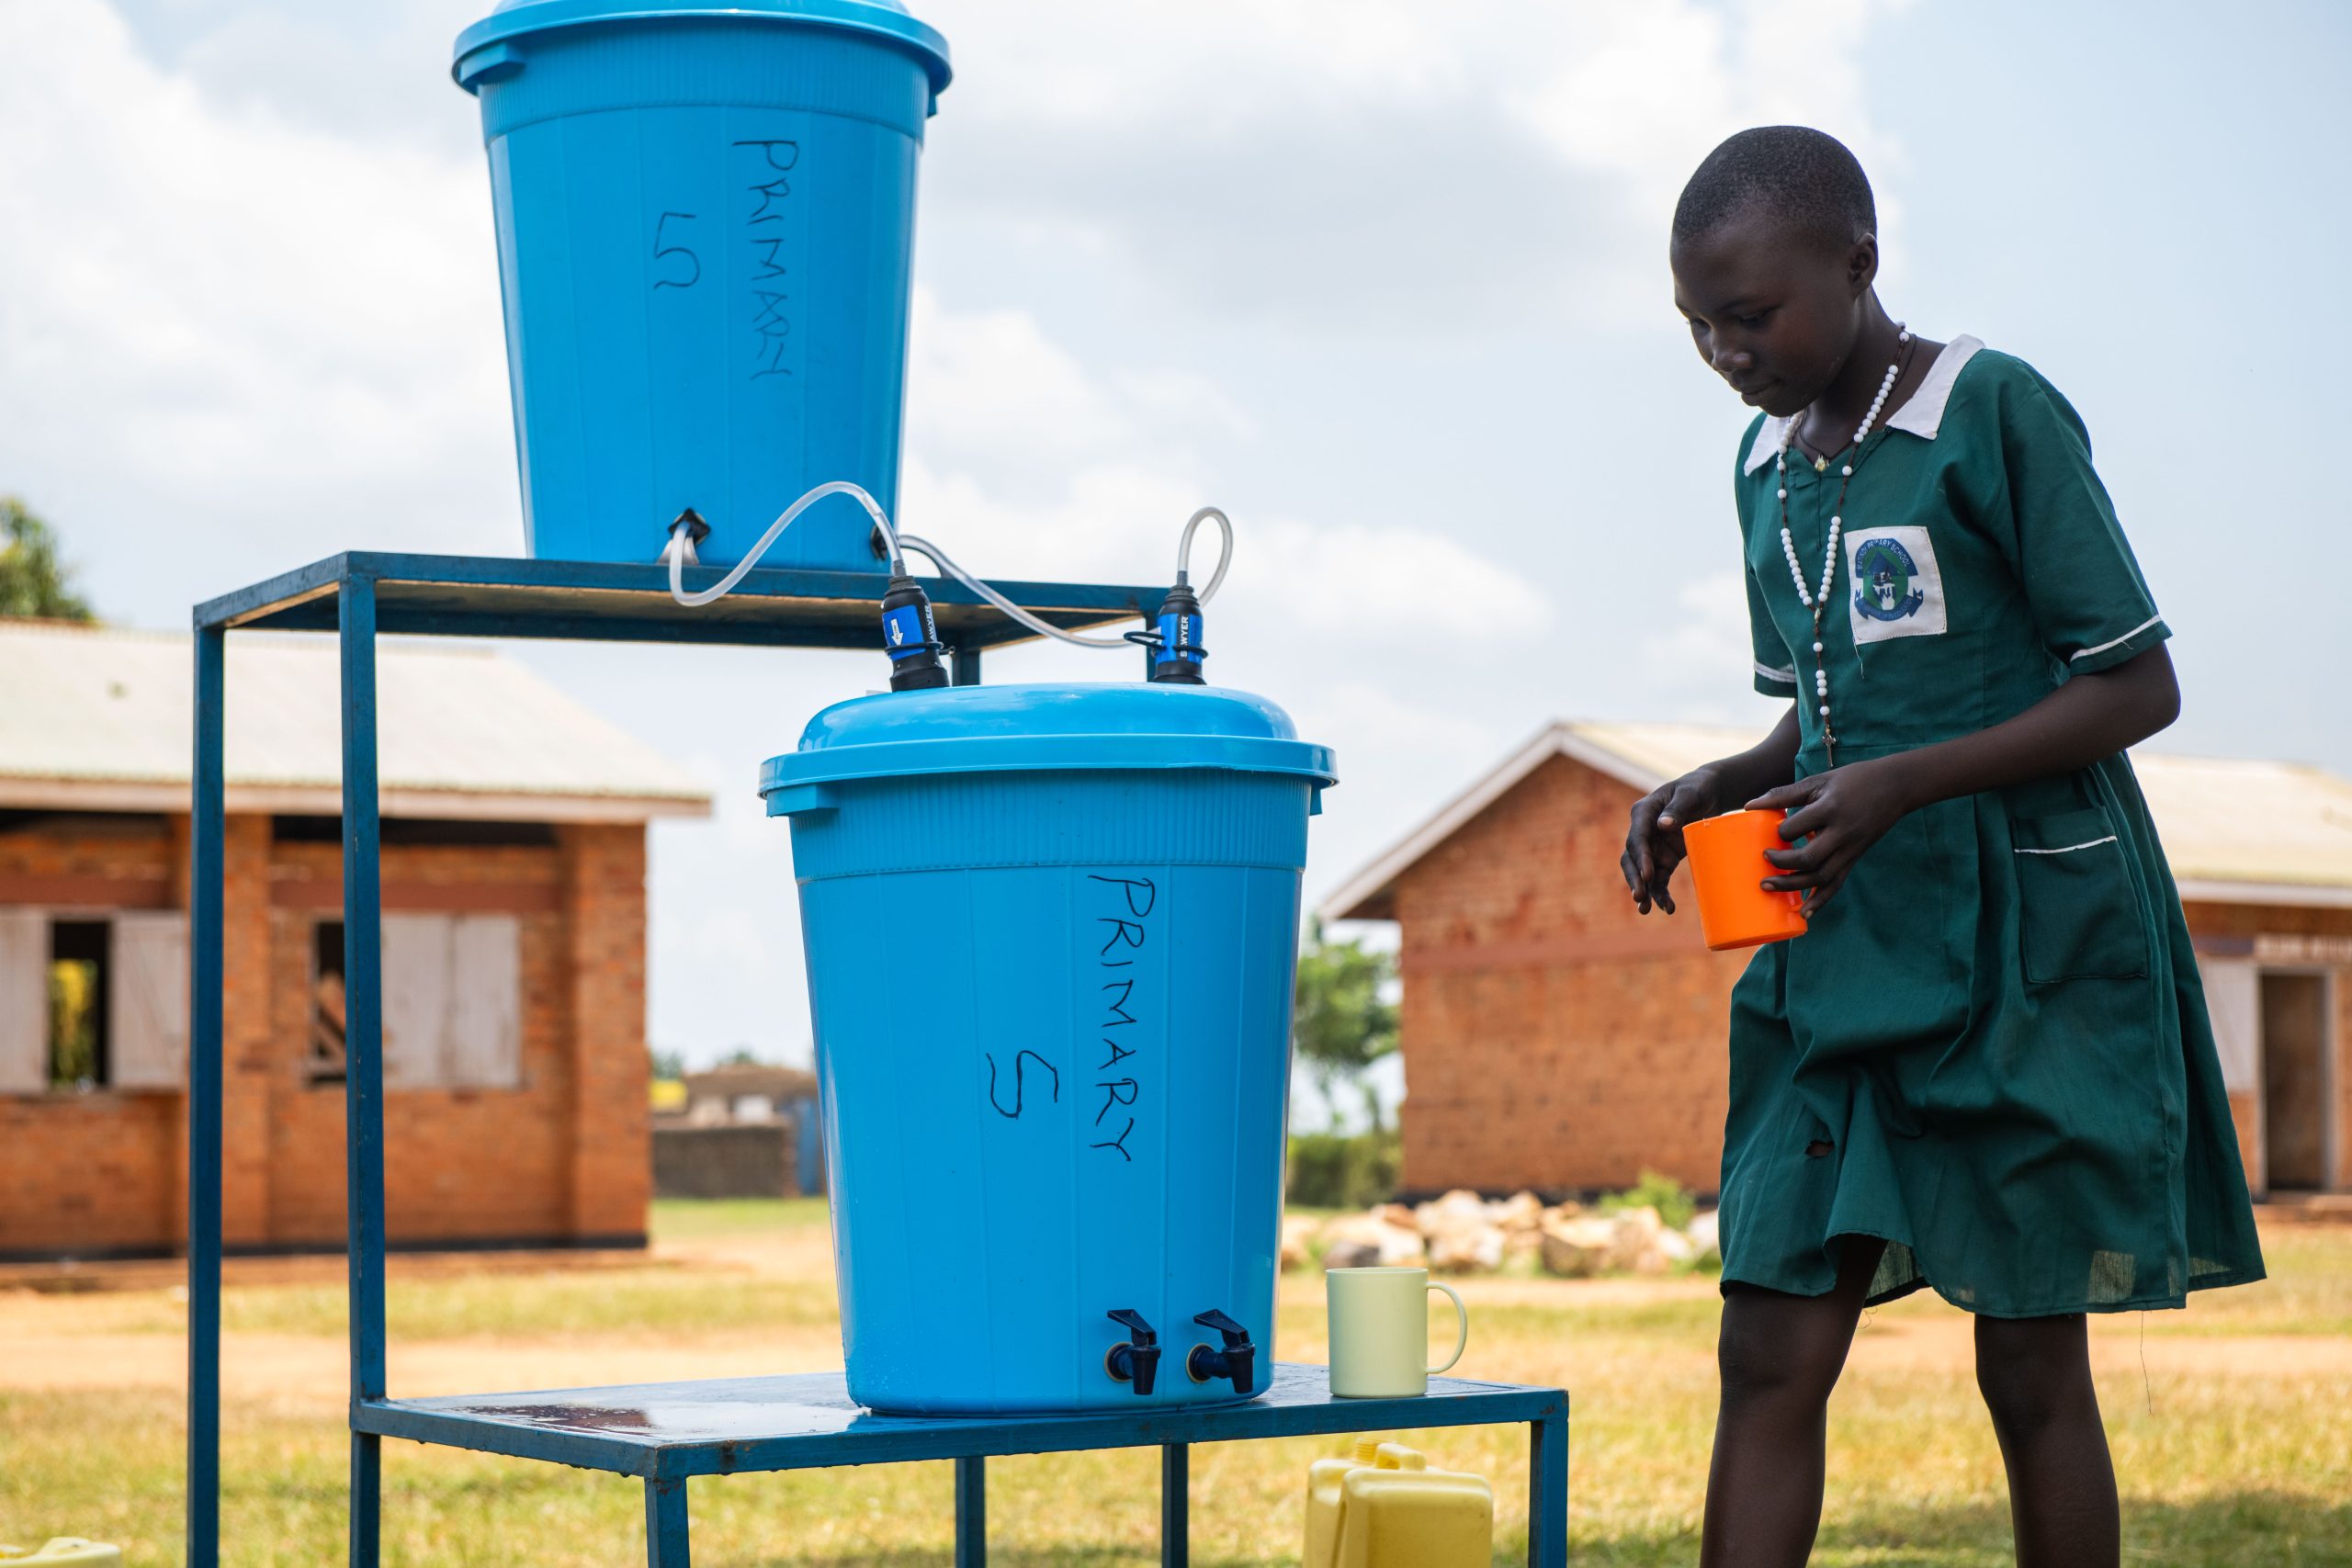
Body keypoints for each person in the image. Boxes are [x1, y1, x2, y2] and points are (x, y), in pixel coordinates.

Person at [1623, 126, 2264, 1568]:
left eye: (1752, 314)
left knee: (2031, 1368)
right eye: (1696, 325)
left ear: (1857, 266)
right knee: (1768, 1344)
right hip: (1839, 944)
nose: (1725, 351)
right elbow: (1822, 711)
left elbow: (2134, 685)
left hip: (2026, 948)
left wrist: (1905, 788)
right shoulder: (1764, 466)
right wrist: (1727, 778)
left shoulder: (1991, 413)